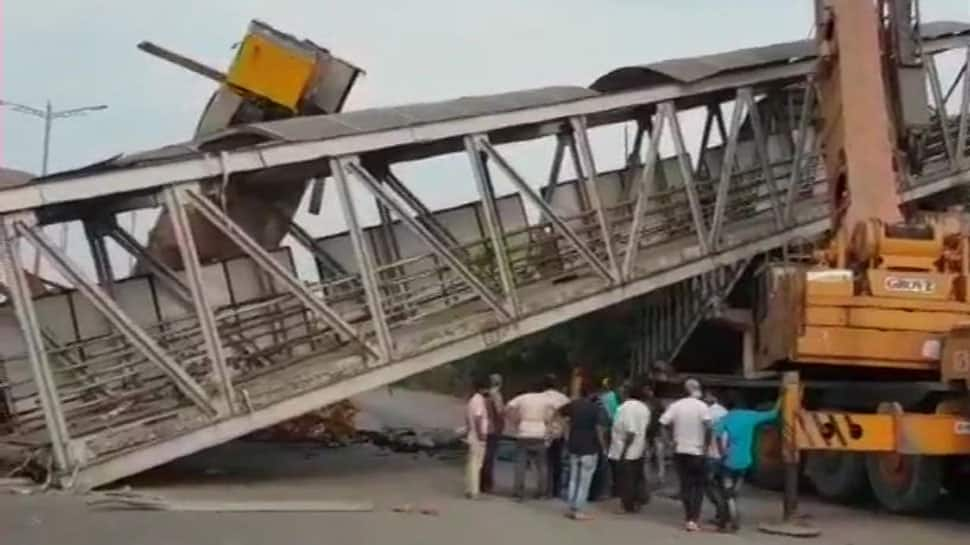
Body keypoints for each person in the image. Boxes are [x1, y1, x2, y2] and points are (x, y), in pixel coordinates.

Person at [711, 397, 780, 532]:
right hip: (745, 461)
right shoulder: (751, 416)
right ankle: (732, 515)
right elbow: (773, 414)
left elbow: (717, 434)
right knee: (735, 492)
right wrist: (781, 399)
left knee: (727, 493)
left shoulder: (727, 417)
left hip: (729, 461)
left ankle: (731, 521)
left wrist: (721, 451)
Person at [659, 378, 712, 531]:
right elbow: (708, 427)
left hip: (680, 450)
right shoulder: (702, 406)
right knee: (698, 486)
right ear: (698, 389)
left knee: (685, 485)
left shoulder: (676, 405)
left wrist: (669, 442)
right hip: (697, 451)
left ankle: (688, 517)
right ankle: (694, 519)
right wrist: (706, 447)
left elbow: (662, 424)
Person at [558, 382, 609, 520]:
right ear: (594, 394)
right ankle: (578, 510)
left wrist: (566, 432)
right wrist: (603, 447)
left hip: (574, 445)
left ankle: (572, 507)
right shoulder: (596, 408)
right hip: (589, 447)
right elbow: (599, 429)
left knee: (574, 478)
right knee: (584, 481)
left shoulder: (573, 405)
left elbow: (559, 414)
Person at [607, 381, 651, 513]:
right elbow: (645, 428)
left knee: (625, 479)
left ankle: (626, 505)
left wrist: (624, 452)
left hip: (625, 449)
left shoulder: (625, 408)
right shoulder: (644, 408)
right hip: (639, 448)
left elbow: (630, 432)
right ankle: (636, 502)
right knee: (636, 477)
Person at [506, 382, 555, 501]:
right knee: (542, 465)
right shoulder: (546, 399)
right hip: (539, 432)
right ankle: (542, 492)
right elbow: (552, 414)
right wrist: (548, 426)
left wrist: (515, 421)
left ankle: (519, 493)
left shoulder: (523, 398)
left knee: (520, 464)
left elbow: (508, 407)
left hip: (524, 431)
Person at [543, 374, 571, 498]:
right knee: (558, 461)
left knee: (545, 462)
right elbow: (568, 418)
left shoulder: (540, 398)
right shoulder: (564, 398)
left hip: (545, 432)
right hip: (560, 433)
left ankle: (546, 489)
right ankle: (556, 489)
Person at [704, 389, 728, 523]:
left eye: (707, 395)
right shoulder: (725, 412)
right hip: (724, 454)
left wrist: (704, 447)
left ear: (714, 396)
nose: (705, 397)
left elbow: (709, 432)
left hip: (713, 453)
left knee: (709, 484)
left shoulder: (709, 412)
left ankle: (721, 510)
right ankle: (723, 513)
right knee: (720, 485)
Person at [465, 375, 492, 499]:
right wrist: (481, 434)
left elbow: (467, 417)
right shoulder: (479, 400)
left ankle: (469, 489)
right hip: (478, 436)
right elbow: (478, 417)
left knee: (472, 463)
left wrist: (469, 429)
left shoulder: (472, 400)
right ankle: (474, 491)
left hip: (472, 434)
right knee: (476, 464)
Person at [480, 373, 504, 493]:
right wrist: (501, 426)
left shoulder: (484, 395)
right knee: (489, 457)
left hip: (483, 427)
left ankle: (481, 482)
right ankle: (487, 484)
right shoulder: (496, 395)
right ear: (500, 383)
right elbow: (499, 412)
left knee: (483, 456)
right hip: (493, 428)